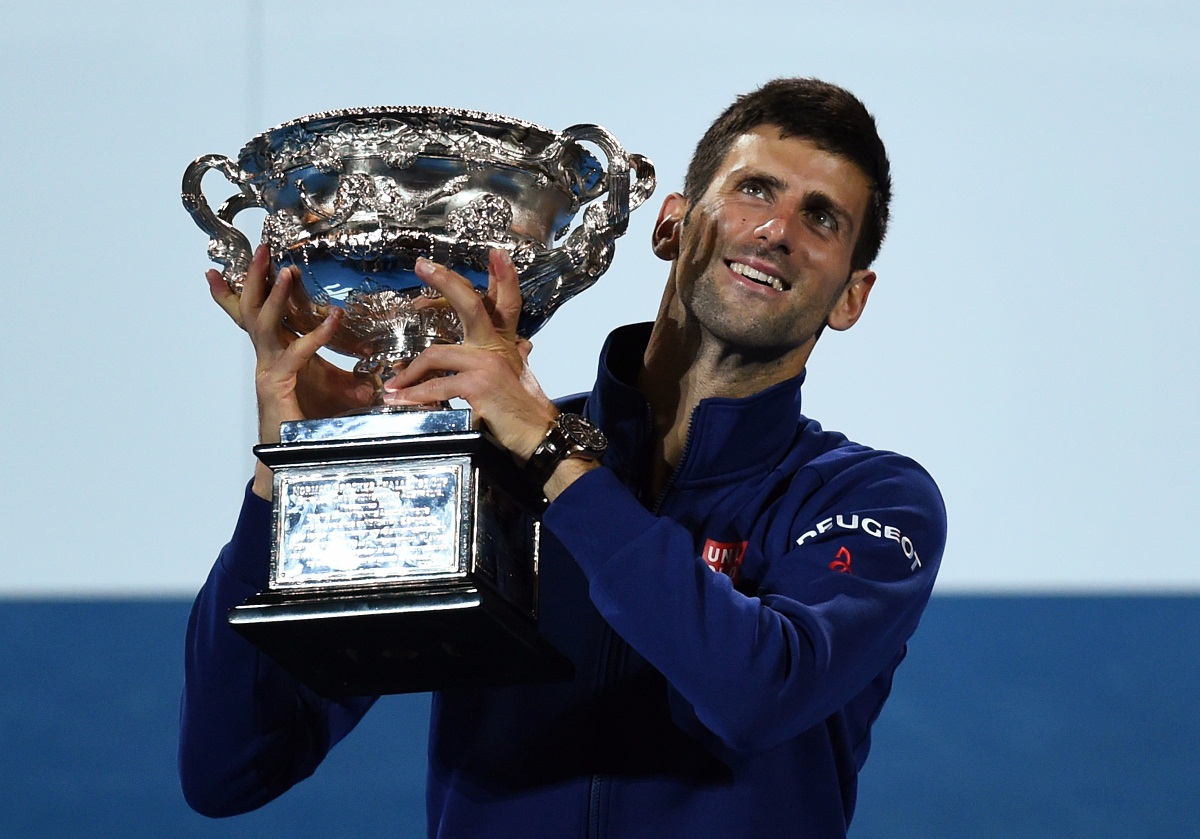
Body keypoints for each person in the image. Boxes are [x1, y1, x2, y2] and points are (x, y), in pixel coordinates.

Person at [180, 78, 947, 838]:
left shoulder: (872, 500)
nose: (777, 229)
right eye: (755, 189)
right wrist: (286, 480)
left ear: (851, 296)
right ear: (671, 228)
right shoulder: (490, 472)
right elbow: (231, 766)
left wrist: (554, 455)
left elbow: (759, 692)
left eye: (820, 218)